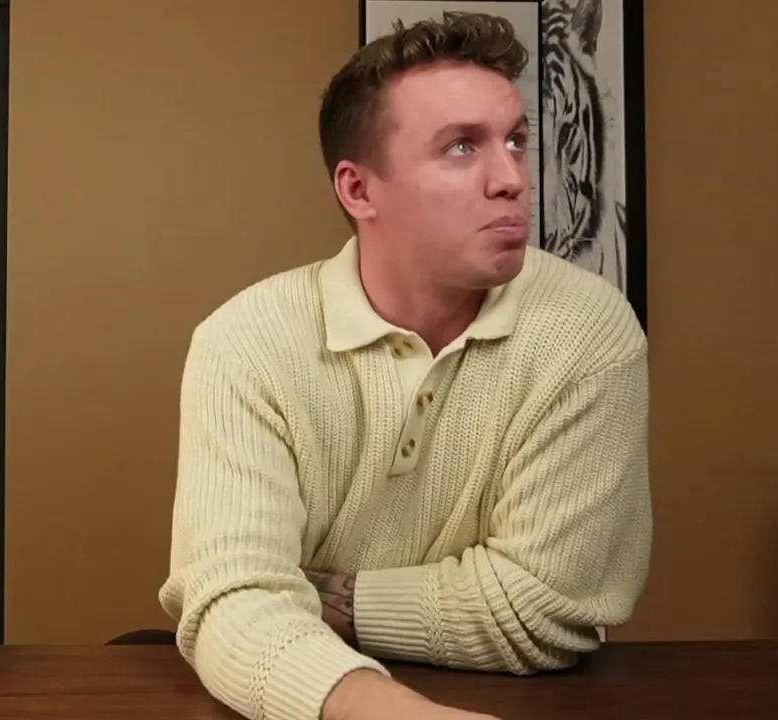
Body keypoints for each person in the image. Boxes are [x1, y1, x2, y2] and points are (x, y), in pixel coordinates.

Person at [158, 11, 651, 720]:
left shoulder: (587, 330)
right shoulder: (246, 342)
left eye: (516, 141)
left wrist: (319, 599)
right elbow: (233, 607)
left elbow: (546, 609)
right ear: (358, 190)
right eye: (462, 147)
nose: (512, 178)